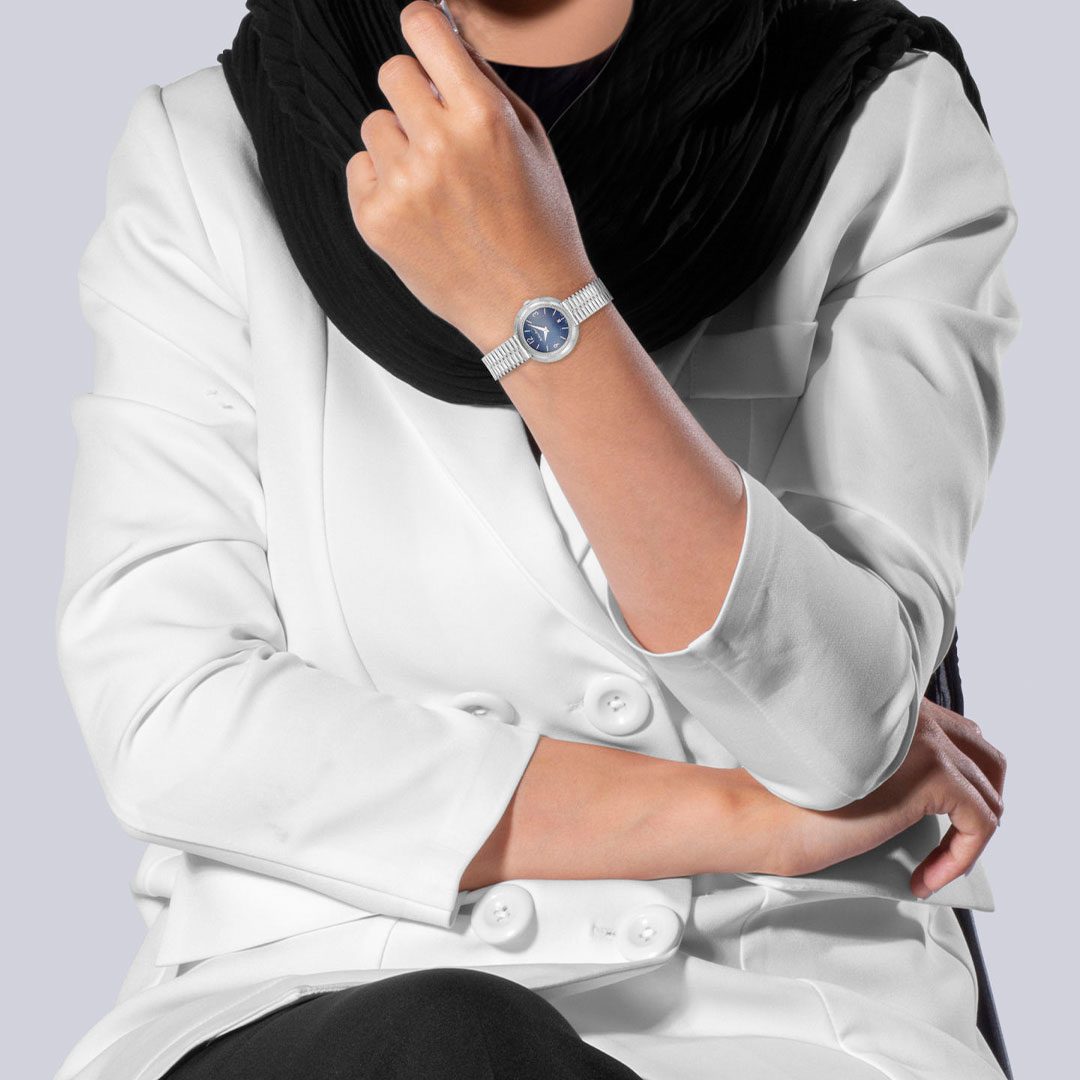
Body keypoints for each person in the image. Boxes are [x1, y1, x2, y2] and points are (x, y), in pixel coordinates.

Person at [54, 2, 1018, 1078]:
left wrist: (536, 299)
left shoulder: (875, 121)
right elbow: (170, 718)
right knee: (450, 1046)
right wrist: (740, 818)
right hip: (326, 975)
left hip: (778, 993)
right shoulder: (217, 145)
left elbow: (839, 732)